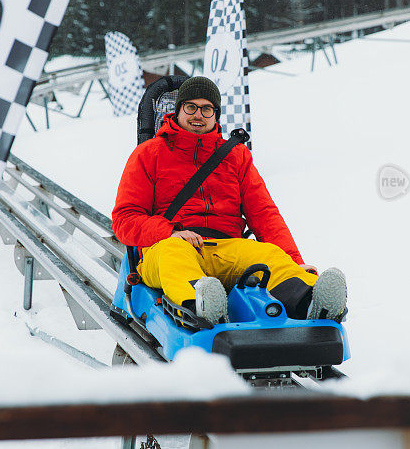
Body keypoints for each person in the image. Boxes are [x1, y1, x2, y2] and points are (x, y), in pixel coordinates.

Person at [112, 76, 346, 325]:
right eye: (190, 107)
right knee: (174, 256)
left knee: (267, 253)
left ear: (216, 114)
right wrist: (169, 233)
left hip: (227, 247)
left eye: (206, 109)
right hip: (168, 246)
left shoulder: (236, 156)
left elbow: (264, 214)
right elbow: (124, 219)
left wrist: (296, 263)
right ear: (178, 110)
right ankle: (200, 306)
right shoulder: (149, 154)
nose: (198, 115)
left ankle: (311, 302)